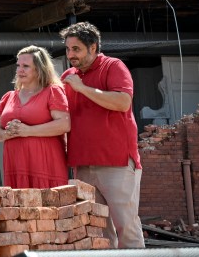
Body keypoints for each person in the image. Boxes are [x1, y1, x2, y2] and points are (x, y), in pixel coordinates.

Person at [60, 22, 144, 249]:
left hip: (116, 163)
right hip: (82, 165)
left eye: (76, 49)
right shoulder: (69, 75)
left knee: (126, 227)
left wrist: (83, 89)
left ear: (93, 47)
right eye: (68, 49)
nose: (71, 55)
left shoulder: (113, 66)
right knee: (98, 231)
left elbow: (123, 102)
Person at [0, 45, 69, 188]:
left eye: (25, 66)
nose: (20, 70)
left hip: (45, 166)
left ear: (39, 69)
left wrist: (27, 131)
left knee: (47, 208)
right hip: (15, 166)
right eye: (18, 65)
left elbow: (63, 124)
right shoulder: (9, 96)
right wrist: (6, 134)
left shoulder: (52, 91)